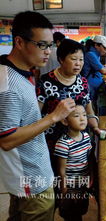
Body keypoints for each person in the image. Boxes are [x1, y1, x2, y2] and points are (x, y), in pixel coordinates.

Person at [0, 11, 75, 221]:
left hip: (30, 173)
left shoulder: (22, 72)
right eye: (42, 45)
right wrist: (52, 117)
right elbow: (6, 140)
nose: (48, 52)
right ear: (20, 42)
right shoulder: (9, 85)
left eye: (50, 45)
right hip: (30, 179)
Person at [36, 39, 105, 162]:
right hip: (54, 145)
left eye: (81, 59)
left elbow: (89, 111)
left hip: (80, 145)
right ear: (61, 59)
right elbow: (35, 116)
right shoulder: (45, 82)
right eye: (74, 59)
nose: (78, 64)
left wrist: (95, 128)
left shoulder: (82, 82)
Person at [55, 104, 93, 221]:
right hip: (70, 188)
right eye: (76, 116)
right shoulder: (63, 143)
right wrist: (64, 191)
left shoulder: (86, 136)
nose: (82, 119)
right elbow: (61, 170)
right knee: (71, 214)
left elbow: (88, 159)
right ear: (65, 121)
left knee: (81, 210)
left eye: (84, 115)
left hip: (83, 183)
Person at [81, 35, 106, 111]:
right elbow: (103, 71)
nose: (105, 50)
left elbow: (100, 67)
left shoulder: (96, 54)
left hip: (94, 85)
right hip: (90, 85)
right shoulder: (91, 54)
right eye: (104, 48)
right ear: (96, 45)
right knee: (90, 106)